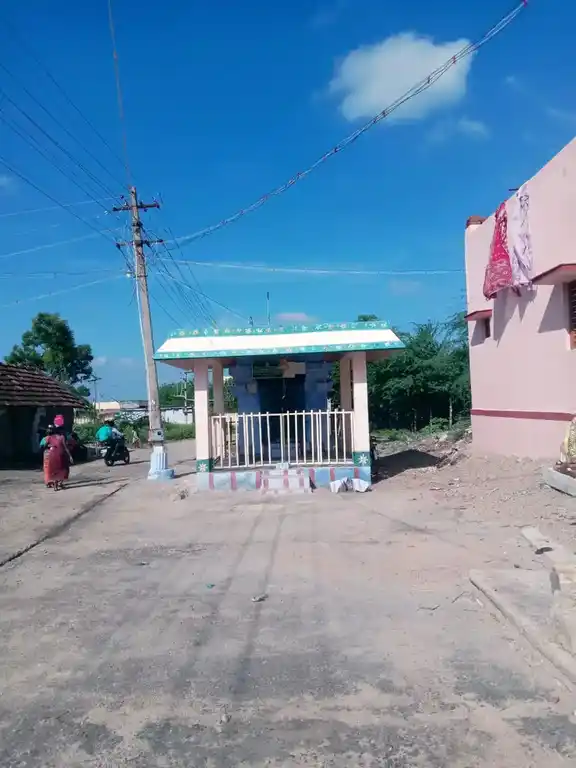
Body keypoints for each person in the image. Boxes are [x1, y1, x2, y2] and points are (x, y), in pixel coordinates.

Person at [40, 425, 73, 490]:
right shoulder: (60, 437)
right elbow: (65, 448)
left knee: (56, 470)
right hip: (58, 455)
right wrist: (70, 456)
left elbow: (44, 446)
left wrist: (51, 446)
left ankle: (56, 484)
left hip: (53, 455)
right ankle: (58, 483)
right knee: (62, 469)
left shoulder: (49, 437)